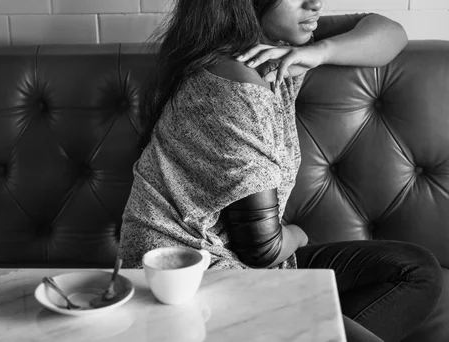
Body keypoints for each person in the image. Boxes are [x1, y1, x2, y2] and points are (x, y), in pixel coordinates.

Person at [118, 0, 442, 341]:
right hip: (190, 277)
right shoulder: (235, 86)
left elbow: (390, 32)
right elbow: (261, 250)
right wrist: (300, 234)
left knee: (415, 271)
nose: (314, 3)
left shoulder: (276, 44)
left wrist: (320, 53)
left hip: (240, 264)